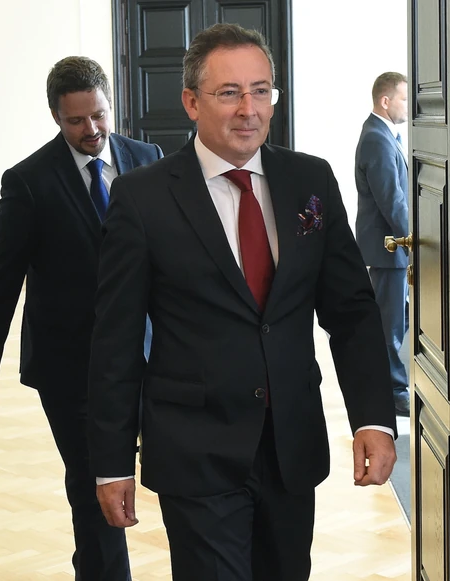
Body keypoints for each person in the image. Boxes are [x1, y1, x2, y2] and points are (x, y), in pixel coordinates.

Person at [87, 23, 398, 581]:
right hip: (195, 450)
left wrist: (373, 417)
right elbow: (117, 339)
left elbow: (351, 310)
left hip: (291, 445)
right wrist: (112, 463)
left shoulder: (310, 180)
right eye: (229, 93)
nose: (248, 109)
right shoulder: (142, 197)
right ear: (191, 102)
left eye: (260, 91)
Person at [0, 56, 162, 579]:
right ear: (55, 116)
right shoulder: (29, 181)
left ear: (111, 105)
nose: (91, 129)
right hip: (71, 367)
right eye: (76, 120)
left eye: (99, 115)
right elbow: (2, 277)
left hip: (151, 357)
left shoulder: (149, 160)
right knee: (94, 488)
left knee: (171, 473)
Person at [354, 72, 410, 416]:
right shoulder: (377, 138)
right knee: (390, 325)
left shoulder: (384, 134)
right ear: (385, 101)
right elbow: (392, 200)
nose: (408, 105)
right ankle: (393, 391)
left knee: (397, 320)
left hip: (393, 249)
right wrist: (415, 240)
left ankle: (392, 384)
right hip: (389, 247)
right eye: (403, 98)